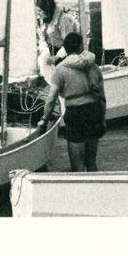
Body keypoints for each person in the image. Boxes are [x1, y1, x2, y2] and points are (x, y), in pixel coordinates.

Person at [37, 32, 106, 172]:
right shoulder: (93, 66)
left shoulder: (60, 70)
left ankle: (81, 193)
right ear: (80, 46)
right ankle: (97, 192)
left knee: (77, 166)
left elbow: (51, 99)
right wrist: (102, 119)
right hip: (94, 112)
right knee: (91, 163)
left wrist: (44, 119)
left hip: (76, 115)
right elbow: (102, 97)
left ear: (65, 49)